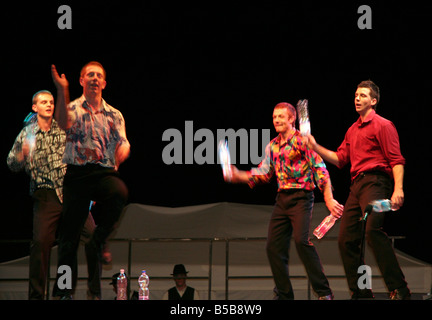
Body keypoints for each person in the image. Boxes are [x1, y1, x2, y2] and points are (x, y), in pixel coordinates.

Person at [227, 102, 344, 300]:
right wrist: (238, 175)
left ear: (292, 119)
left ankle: (324, 292)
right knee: (272, 247)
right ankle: (284, 294)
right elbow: (263, 174)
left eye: (281, 117)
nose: (277, 121)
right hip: (282, 199)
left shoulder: (303, 141)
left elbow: (320, 169)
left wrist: (329, 198)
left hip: (302, 197)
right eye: (274, 117)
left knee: (301, 241)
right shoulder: (272, 145)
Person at [305, 80, 410, 300]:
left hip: (376, 183)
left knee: (372, 231)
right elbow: (340, 158)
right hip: (357, 187)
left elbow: (396, 159)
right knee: (347, 240)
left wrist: (398, 189)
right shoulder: (352, 130)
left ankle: (398, 288)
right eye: (355, 95)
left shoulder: (383, 125)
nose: (357, 98)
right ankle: (361, 291)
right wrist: (315, 147)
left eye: (362, 95)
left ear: (373, 101)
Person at [6, 91, 104, 300]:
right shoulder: (28, 134)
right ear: (35, 108)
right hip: (46, 195)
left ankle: (71, 292)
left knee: (91, 238)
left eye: (51, 102)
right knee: (41, 243)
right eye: (44, 102)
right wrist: (22, 154)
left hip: (71, 193)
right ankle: (36, 295)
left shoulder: (64, 129)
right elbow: (11, 164)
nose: (49, 105)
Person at [51, 62, 130, 299]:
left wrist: (123, 150)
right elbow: (63, 123)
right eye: (90, 75)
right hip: (77, 175)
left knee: (119, 192)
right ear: (82, 81)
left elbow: (123, 141)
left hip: (103, 172)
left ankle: (98, 239)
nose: (95, 78)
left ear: (104, 83)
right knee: (68, 239)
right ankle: (65, 291)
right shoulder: (73, 107)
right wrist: (61, 91)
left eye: (99, 76)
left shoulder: (114, 114)